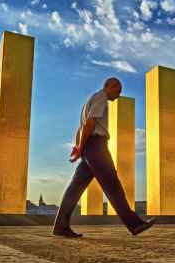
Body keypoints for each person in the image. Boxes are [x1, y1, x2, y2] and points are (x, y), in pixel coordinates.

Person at [52, 77, 156, 238]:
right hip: (96, 146)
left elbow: (82, 127)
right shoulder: (101, 99)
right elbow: (90, 124)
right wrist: (80, 148)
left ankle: (60, 226)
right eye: (118, 90)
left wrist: (79, 146)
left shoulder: (91, 99)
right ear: (110, 86)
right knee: (112, 184)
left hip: (89, 147)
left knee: (75, 188)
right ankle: (135, 224)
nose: (119, 95)